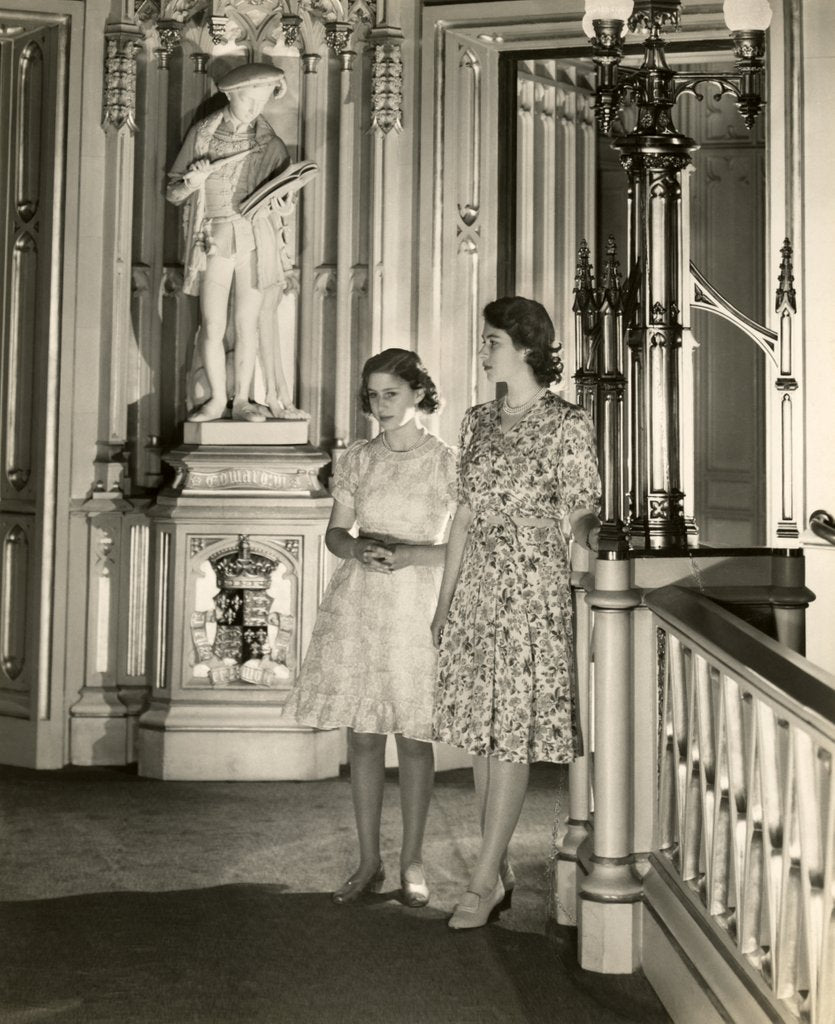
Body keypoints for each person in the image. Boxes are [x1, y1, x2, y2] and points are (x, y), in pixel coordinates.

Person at [431, 296, 601, 930]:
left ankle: (481, 881)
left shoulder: (566, 423)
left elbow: (581, 505)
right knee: (482, 733)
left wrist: (593, 533)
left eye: (493, 340)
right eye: (484, 339)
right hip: (478, 587)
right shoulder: (475, 421)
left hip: (532, 589)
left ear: (528, 348)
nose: (483, 350)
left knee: (511, 737)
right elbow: (463, 517)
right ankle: (496, 872)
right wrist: (444, 605)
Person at [282, 349, 457, 907]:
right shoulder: (358, 458)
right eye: (374, 396)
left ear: (418, 394)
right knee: (360, 735)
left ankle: (412, 861)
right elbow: (335, 534)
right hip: (361, 597)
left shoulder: (447, 461)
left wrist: (412, 558)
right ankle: (367, 861)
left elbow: (462, 546)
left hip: (417, 597)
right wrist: (356, 547)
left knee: (412, 736)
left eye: (392, 394)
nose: (380, 406)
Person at [166, 62, 308, 423]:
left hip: (256, 237)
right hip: (214, 235)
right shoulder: (203, 134)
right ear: (230, 95)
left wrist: (284, 201)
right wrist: (192, 183)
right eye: (248, 100)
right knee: (212, 323)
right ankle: (216, 399)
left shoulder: (269, 142)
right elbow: (173, 193)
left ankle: (243, 399)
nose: (254, 109)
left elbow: (283, 197)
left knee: (248, 322)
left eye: (261, 102)